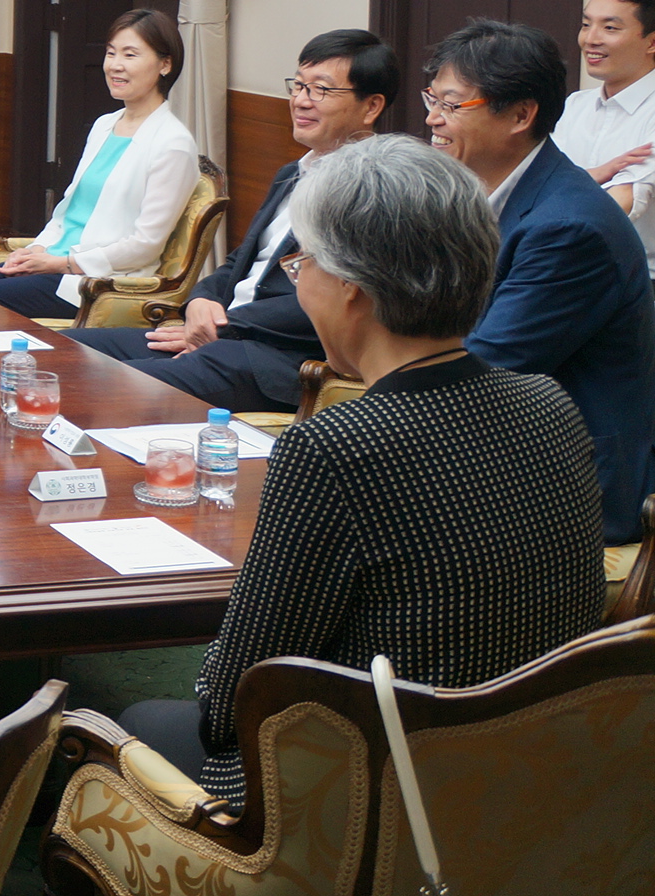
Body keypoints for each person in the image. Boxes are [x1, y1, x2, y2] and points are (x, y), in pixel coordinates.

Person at [115, 135, 606, 805]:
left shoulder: (337, 447)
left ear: (349, 288)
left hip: (370, 794)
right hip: (530, 770)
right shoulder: (550, 402)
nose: (299, 279)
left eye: (301, 263)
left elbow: (234, 701)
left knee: (128, 726)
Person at [74, 29, 396, 411]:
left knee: (108, 386)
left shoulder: (375, 191)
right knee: (70, 353)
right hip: (222, 338)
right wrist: (200, 302)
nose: (301, 101)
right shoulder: (293, 172)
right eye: (298, 85)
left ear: (371, 106)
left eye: (320, 90)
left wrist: (221, 326)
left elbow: (331, 302)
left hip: (275, 360)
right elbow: (238, 263)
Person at [422, 18, 655, 543]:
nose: (433, 119)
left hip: (566, 487)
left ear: (521, 115)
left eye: (453, 105)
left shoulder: (570, 229)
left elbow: (487, 367)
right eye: (432, 100)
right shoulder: (471, 193)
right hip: (497, 450)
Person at [0, 10, 198, 318]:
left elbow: (144, 245)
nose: (115, 65)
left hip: (94, 283)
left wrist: (59, 263)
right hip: (53, 265)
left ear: (165, 64)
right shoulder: (105, 125)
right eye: (111, 53)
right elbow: (69, 212)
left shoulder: (172, 143)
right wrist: (37, 251)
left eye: (130, 55)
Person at [554, 0, 655, 276]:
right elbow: (538, 186)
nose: (590, 39)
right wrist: (591, 177)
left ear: (651, 42)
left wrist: (572, 183)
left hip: (638, 281)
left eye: (610, 27)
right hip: (565, 273)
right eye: (587, 25)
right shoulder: (574, 106)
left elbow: (625, 200)